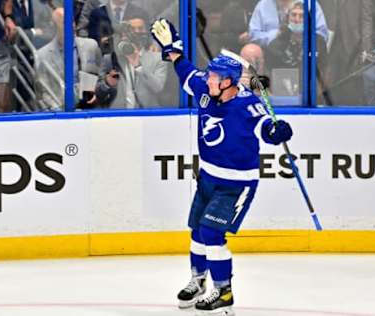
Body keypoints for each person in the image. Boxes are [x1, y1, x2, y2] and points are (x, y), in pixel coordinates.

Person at [150, 19, 293, 315]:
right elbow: (186, 72)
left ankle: (224, 292)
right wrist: (173, 51)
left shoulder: (248, 106)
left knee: (213, 234)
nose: (209, 80)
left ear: (229, 82)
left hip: (236, 184)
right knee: (197, 232)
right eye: (210, 76)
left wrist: (278, 131)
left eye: (215, 77)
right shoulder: (206, 89)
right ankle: (198, 280)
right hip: (208, 178)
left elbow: (266, 128)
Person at [97, 14, 167, 108]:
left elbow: (158, 88)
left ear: (146, 32)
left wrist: (138, 66)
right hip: (118, 117)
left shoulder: (158, 58)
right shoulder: (110, 59)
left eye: (140, 28)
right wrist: (107, 83)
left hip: (148, 116)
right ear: (124, 34)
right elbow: (97, 94)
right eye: (132, 29)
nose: (136, 32)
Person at [249, 0, 328, 47]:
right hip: (271, 53)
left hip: (304, 51)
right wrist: (277, 34)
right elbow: (253, 35)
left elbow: (322, 34)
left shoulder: (311, 4)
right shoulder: (263, 5)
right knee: (250, 51)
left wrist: (300, 36)